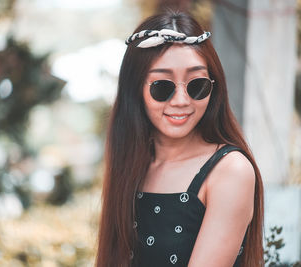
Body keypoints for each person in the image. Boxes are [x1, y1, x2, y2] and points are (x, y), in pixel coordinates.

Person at [96, 11, 264, 267]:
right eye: (162, 86)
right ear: (136, 90)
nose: (181, 101)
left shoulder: (229, 171)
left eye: (197, 84)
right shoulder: (132, 164)